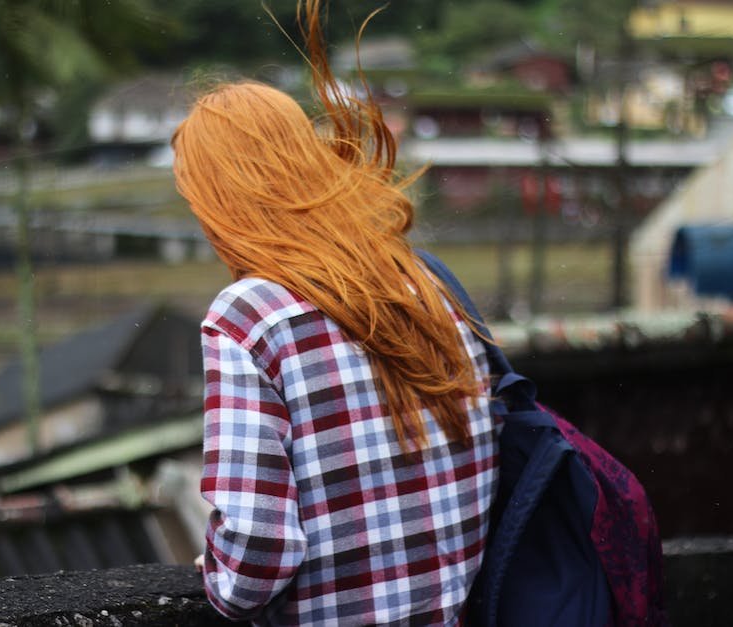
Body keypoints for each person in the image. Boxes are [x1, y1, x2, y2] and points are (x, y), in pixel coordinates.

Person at [171, 1, 499, 624]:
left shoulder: (249, 315)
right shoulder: (421, 281)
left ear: (219, 201)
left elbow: (255, 562)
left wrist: (219, 570)